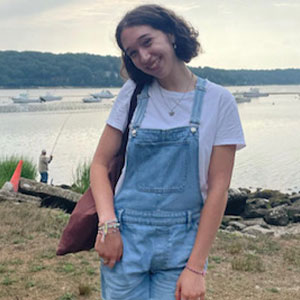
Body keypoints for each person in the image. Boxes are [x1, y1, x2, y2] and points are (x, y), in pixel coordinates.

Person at [90, 4, 245, 300]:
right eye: (132, 52)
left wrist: (196, 267)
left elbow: (218, 189)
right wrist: (107, 225)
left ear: (171, 34)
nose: (143, 57)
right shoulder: (133, 92)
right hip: (125, 237)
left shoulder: (220, 101)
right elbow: (100, 163)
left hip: (182, 243)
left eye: (147, 42)